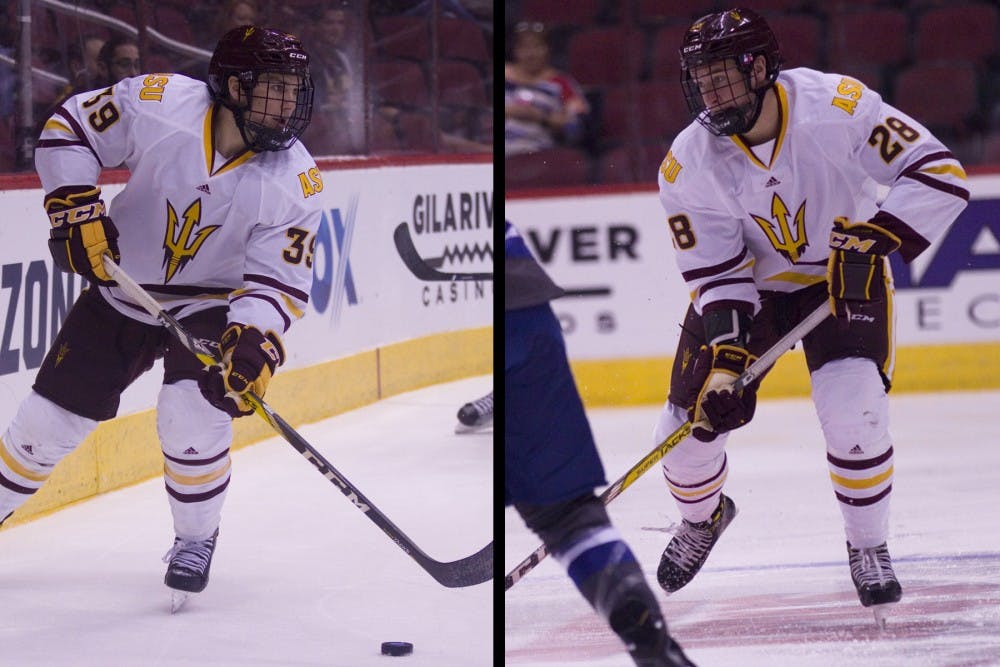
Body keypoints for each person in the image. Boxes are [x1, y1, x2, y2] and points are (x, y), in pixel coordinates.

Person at [652, 8, 969, 617]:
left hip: (842, 278)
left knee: (854, 414)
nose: (710, 94)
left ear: (760, 69)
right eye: (701, 80)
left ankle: (868, 545)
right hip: (752, 292)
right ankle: (702, 519)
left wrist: (876, 238)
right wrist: (726, 365)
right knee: (682, 435)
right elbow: (717, 275)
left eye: (721, 77)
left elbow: (939, 173)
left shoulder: (839, 108)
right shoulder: (687, 163)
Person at [0, 25, 321, 605]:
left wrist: (254, 344)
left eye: (294, 90)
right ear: (233, 87)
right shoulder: (160, 103)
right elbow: (69, 128)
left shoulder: (296, 181)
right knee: (46, 423)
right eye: (275, 88)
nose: (288, 104)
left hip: (212, 303)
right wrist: (74, 205)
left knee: (191, 412)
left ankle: (195, 540)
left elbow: (277, 284)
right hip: (123, 287)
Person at [506, 220, 694, 666]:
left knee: (560, 515)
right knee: (568, 515)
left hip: (507, 311)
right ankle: (636, 617)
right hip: (530, 310)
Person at [504, 21, 589, 156]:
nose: (531, 54)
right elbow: (481, 112)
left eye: (537, 47)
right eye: (524, 47)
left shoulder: (561, 83)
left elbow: (577, 126)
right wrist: (509, 112)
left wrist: (541, 117)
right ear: (514, 50)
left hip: (540, 152)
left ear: (548, 49)